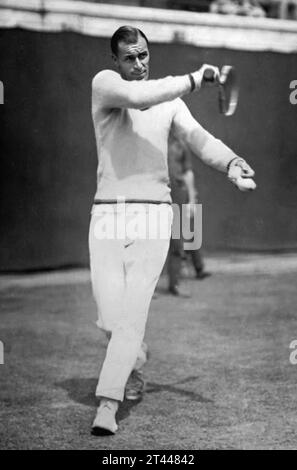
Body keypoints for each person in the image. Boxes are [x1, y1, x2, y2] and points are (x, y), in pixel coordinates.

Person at [89, 25, 255, 435]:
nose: (139, 64)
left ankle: (106, 405)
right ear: (116, 61)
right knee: (110, 319)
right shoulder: (106, 85)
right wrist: (197, 78)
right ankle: (134, 361)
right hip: (107, 215)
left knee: (130, 315)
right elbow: (138, 97)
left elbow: (201, 139)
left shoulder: (172, 102)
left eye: (144, 55)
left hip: (154, 215)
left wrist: (231, 162)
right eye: (130, 57)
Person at [167, 133, 210, 297]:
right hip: (159, 193)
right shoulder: (155, 141)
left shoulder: (180, 144)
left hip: (179, 193)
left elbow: (188, 173)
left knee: (185, 234)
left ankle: (178, 281)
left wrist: (192, 198)